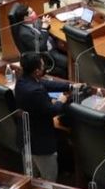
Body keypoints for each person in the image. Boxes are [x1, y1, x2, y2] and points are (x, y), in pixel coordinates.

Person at [14, 53, 74, 181]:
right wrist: (62, 100)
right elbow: (52, 111)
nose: (44, 68)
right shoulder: (36, 91)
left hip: (26, 140)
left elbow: (44, 83)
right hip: (41, 144)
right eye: (42, 66)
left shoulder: (21, 81)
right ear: (37, 71)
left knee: (31, 178)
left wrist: (69, 86)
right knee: (49, 180)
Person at [11, 3, 67, 77]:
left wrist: (46, 24)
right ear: (25, 18)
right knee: (69, 62)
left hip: (54, 45)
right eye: (31, 13)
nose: (34, 13)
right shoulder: (24, 33)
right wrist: (44, 28)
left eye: (33, 10)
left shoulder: (34, 21)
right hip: (47, 55)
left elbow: (44, 28)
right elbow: (40, 47)